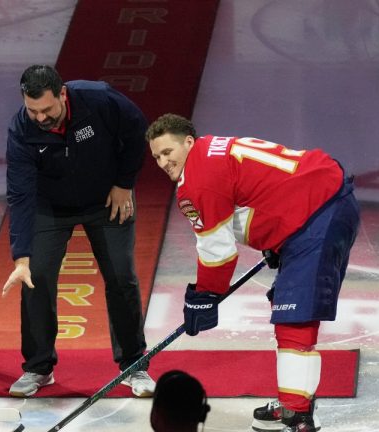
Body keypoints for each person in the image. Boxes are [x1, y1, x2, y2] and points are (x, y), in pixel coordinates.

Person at [146, 113, 360, 432]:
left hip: (317, 214)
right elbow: (260, 188)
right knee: (289, 309)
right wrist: (274, 240)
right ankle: (293, 405)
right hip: (323, 201)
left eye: (168, 152)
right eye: (156, 157)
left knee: (293, 316)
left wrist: (204, 296)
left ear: (188, 142)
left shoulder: (196, 181)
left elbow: (218, 255)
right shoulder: (212, 150)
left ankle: (297, 415)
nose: (163, 162)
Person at [2, 65, 155, 398]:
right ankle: (38, 368)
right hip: (50, 207)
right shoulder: (21, 130)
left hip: (106, 200)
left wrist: (123, 183)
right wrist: (21, 257)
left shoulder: (98, 100)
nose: (41, 118)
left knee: (121, 277)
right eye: (33, 111)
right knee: (36, 277)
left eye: (47, 110)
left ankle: (134, 365)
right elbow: (20, 195)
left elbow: (136, 130)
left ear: (63, 94)